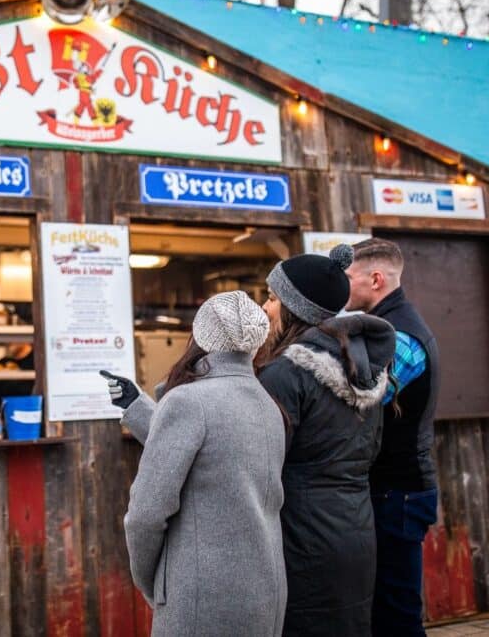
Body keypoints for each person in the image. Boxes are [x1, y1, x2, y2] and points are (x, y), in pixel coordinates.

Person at [105, 291, 288, 636]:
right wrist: (139, 407)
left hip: (199, 595)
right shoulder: (268, 404)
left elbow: (144, 516)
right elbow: (215, 451)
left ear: (201, 336)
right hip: (266, 587)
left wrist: (154, 583)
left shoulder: (188, 401)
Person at [255, 245, 395, 636]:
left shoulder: (283, 376)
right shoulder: (365, 371)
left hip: (301, 539)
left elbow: (262, 463)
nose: (265, 309)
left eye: (272, 299)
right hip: (356, 532)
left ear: (297, 309)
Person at [346, 238, 440, 637]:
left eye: (348, 277)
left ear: (376, 279)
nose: (342, 285)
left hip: (398, 493)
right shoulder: (384, 326)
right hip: (387, 491)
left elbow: (360, 402)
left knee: (396, 616)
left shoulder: (402, 337)